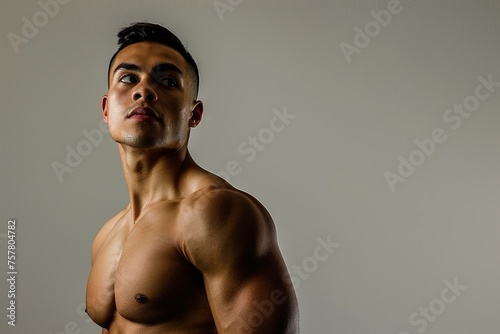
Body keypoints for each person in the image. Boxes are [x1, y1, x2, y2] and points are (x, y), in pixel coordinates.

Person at [85, 22, 299, 333]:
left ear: (193, 115)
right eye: (129, 78)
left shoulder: (215, 215)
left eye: (168, 82)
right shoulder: (106, 235)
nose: (143, 90)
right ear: (106, 109)